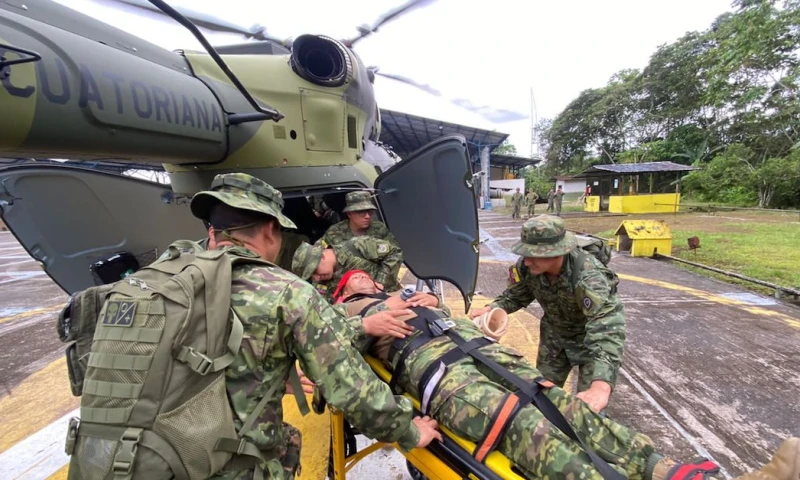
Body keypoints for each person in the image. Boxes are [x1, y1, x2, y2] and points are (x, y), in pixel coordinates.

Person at [332, 270, 800, 480]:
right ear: (341, 294)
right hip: (431, 368)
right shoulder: (343, 312)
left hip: (474, 348)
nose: (361, 280)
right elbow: (329, 356)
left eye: (365, 279)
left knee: (559, 403)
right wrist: (365, 322)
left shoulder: (405, 291)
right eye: (351, 281)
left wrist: (436, 307)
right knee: (520, 422)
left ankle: (668, 471)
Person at [186, 173, 441, 478]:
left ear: (213, 232)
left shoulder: (164, 275)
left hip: (153, 450)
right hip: (224, 460)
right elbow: (350, 387)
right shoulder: (288, 293)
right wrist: (409, 432)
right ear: (271, 230)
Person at [469, 215, 624, 413]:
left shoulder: (588, 277)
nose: (526, 261)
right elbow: (517, 295)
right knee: (540, 396)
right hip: (554, 338)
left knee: (588, 411)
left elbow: (607, 326)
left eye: (532, 254)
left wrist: (601, 385)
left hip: (590, 342)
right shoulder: (527, 267)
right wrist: (493, 308)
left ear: (556, 253)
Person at [291, 237, 403, 302]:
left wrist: (381, 281)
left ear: (321, 257)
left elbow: (394, 252)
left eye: (314, 271)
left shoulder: (356, 246)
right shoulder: (320, 283)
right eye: (311, 276)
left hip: (393, 298)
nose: (316, 277)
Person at [320, 190, 398, 248]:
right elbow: (321, 256)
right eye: (361, 212)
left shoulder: (379, 228)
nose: (367, 216)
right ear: (349, 214)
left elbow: (394, 251)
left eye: (370, 211)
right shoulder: (333, 233)